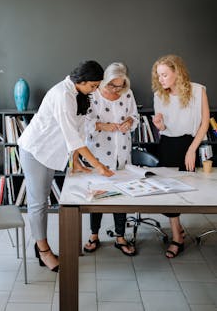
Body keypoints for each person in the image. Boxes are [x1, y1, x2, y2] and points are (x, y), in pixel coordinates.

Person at [18, 60, 114, 272]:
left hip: (50, 152)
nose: (95, 90)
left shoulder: (78, 93)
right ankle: (43, 251)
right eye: (93, 86)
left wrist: (76, 162)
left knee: (42, 201)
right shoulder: (62, 94)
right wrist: (98, 166)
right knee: (38, 203)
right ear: (82, 80)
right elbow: (72, 137)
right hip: (36, 151)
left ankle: (40, 246)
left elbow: (79, 130)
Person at [152, 54, 210, 258]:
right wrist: (159, 126)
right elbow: (165, 127)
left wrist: (192, 149)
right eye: (158, 75)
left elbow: (204, 123)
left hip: (190, 144)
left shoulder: (198, 90)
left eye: (165, 74)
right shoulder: (160, 95)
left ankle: (179, 231)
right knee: (169, 193)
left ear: (177, 72)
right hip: (168, 144)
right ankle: (177, 236)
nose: (161, 79)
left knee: (189, 190)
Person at [83, 62, 139, 256]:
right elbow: (83, 123)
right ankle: (93, 235)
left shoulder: (127, 93)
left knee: (120, 195)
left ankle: (120, 237)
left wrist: (129, 122)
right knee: (98, 194)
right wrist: (102, 126)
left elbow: (135, 117)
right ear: (104, 80)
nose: (116, 89)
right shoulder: (92, 94)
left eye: (120, 85)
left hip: (122, 150)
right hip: (98, 152)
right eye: (112, 85)